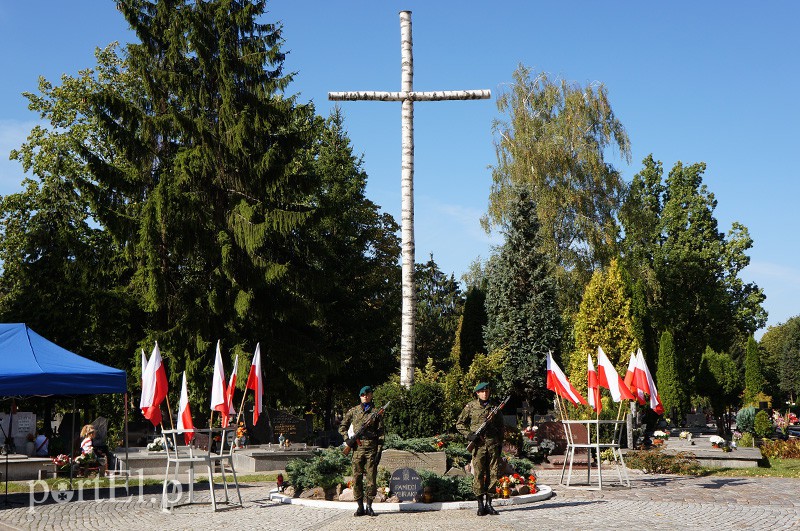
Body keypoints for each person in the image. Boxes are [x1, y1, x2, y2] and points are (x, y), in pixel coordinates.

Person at [456, 381, 505, 516]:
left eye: (487, 391)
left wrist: (500, 443)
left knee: (493, 474)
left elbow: (501, 427)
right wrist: (469, 435)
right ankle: (480, 505)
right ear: (477, 393)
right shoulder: (471, 406)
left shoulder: (495, 407)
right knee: (478, 474)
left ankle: (489, 504)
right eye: (482, 391)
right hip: (478, 446)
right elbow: (459, 424)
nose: (485, 394)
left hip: (493, 445)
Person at [339, 385, 385, 517]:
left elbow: (381, 434)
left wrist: (379, 451)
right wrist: (347, 439)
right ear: (360, 396)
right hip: (357, 448)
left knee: (371, 478)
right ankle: (360, 506)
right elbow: (342, 427)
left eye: (367, 394)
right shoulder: (353, 411)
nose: (365, 396)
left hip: (371, 448)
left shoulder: (376, 413)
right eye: (362, 394)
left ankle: (369, 506)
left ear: (371, 395)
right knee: (357, 477)